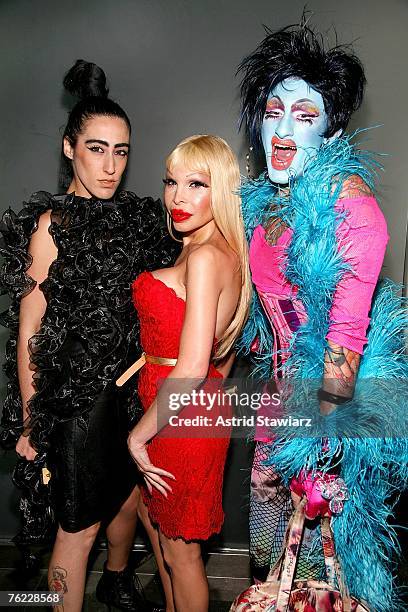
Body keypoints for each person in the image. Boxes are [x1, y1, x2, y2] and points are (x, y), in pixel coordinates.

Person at [236, 20, 408, 611]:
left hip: (323, 428)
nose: (282, 130)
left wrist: (322, 449)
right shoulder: (267, 205)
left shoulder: (352, 210)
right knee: (269, 562)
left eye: (303, 115)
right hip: (273, 412)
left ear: (332, 132)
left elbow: (344, 344)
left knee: (317, 585)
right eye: (272, 110)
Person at [0, 60, 179, 611]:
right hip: (77, 403)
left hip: (131, 392)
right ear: (68, 147)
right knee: (76, 532)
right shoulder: (52, 225)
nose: (110, 165)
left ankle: (118, 579)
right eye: (96, 148)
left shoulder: (140, 220)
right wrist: (33, 421)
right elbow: (28, 330)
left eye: (121, 151)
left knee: (126, 503)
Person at [124, 134, 252, 612]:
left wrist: (137, 437)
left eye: (196, 184)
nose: (177, 197)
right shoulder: (214, 249)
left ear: (220, 189)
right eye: (171, 182)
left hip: (182, 415)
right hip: (186, 409)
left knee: (182, 553)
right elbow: (222, 357)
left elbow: (196, 367)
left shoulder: (203, 256)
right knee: (161, 528)